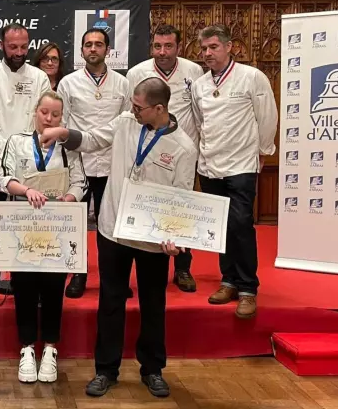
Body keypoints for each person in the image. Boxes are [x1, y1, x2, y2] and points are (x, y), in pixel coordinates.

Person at [40, 77, 196, 399]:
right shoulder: (127, 122)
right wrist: (64, 134)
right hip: (113, 229)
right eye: (132, 105)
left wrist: (173, 237)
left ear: (159, 108)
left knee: (153, 303)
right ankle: (105, 370)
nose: (133, 111)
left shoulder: (183, 147)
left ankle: (152, 369)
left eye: (139, 107)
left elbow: (181, 198)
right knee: (110, 302)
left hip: (152, 240)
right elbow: (95, 139)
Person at [0, 91, 87, 384]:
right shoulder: (17, 141)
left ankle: (50, 348)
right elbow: (4, 179)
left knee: (52, 287)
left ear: (62, 117)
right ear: (35, 112)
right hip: (23, 226)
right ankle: (26, 348)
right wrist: (26, 191)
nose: (49, 119)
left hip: (57, 227)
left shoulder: (68, 147)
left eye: (55, 115)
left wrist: (70, 198)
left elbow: (80, 182)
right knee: (23, 286)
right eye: (44, 112)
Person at [191, 24, 277, 319]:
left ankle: (248, 289)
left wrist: (264, 150)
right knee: (220, 227)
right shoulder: (200, 85)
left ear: (230, 47)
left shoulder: (252, 77)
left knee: (240, 225)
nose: (208, 54)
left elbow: (267, 117)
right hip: (209, 164)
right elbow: (200, 122)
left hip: (241, 163)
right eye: (204, 49)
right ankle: (227, 281)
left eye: (213, 47)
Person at [0, 23, 52, 309]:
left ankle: (26, 285)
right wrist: (10, 151)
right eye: (13, 47)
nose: (19, 52)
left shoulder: (40, 77)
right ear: (2, 46)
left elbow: (44, 119)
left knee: (27, 227)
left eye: (23, 47)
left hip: (30, 168)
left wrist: (22, 154)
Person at [126, 24, 205, 293]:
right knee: (147, 205)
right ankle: (142, 261)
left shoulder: (193, 71)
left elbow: (198, 112)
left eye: (168, 46)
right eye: (157, 46)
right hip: (149, 149)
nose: (162, 52)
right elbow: (133, 113)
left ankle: (183, 267)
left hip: (183, 151)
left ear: (178, 47)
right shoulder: (138, 72)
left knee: (183, 205)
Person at [56, 28, 130, 298]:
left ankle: (115, 279)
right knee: (76, 224)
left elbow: (126, 122)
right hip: (79, 164)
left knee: (110, 224)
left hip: (112, 162)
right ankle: (78, 274)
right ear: (81, 51)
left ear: (108, 50)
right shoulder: (68, 83)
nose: (93, 49)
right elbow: (62, 123)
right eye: (88, 45)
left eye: (98, 44)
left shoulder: (123, 84)